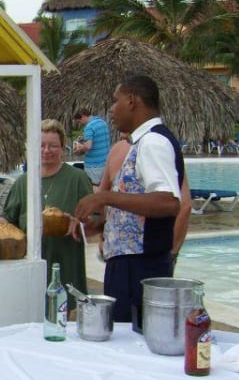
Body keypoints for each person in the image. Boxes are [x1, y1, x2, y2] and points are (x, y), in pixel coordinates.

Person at [74, 75, 184, 326]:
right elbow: (142, 205)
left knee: (129, 342)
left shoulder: (153, 142)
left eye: (116, 101)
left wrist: (104, 197)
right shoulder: (143, 142)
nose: (112, 109)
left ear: (132, 101)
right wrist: (103, 225)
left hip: (139, 268)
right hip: (128, 265)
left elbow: (168, 203)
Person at [0, 119, 93, 295]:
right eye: (41, 145)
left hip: (67, 269)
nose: (46, 150)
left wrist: (79, 224)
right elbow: (8, 220)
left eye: (53, 146)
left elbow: (95, 221)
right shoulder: (23, 182)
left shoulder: (77, 179)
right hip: (30, 273)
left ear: (63, 147)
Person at [99, 131, 192, 273]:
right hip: (120, 256)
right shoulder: (119, 150)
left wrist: (171, 253)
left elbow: (182, 205)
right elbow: (103, 199)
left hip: (143, 256)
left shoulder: (155, 147)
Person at [72, 107, 111, 187]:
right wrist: (84, 138)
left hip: (94, 166)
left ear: (83, 116)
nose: (81, 123)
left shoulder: (89, 127)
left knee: (93, 188)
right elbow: (98, 137)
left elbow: (88, 146)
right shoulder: (102, 122)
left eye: (79, 121)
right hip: (106, 163)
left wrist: (79, 150)